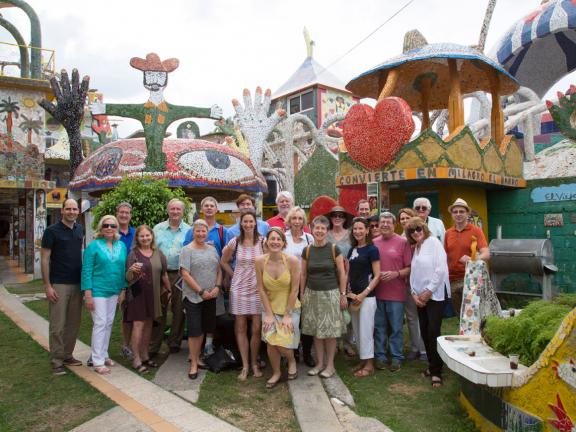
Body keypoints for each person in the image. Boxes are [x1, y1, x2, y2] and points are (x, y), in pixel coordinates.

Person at [406, 217, 451, 388]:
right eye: (412, 230)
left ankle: (437, 371)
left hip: (435, 295)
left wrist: (428, 291)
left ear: (424, 228)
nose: (416, 232)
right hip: (419, 297)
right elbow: (414, 273)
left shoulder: (433, 242)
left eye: (418, 228)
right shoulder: (416, 247)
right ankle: (432, 366)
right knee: (424, 331)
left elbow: (440, 269)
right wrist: (414, 294)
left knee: (433, 331)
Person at [41, 198, 84, 376]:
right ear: (62, 211)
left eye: (74, 209)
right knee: (58, 325)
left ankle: (67, 354)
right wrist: (47, 285)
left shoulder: (80, 229)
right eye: (68, 209)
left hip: (77, 283)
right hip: (58, 283)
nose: (72, 212)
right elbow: (44, 259)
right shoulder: (51, 231)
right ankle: (56, 360)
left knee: (73, 323)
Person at [301, 215, 347, 378]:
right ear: (312, 230)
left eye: (322, 228)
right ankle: (319, 363)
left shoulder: (334, 249)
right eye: (316, 228)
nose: (319, 231)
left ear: (327, 231)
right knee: (315, 331)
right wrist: (302, 295)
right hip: (312, 294)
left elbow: (342, 273)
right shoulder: (307, 250)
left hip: (330, 294)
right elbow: (304, 274)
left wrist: (343, 295)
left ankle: (330, 366)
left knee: (329, 332)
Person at [221, 210, 265, 381]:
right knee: (240, 327)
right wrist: (234, 275)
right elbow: (223, 261)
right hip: (239, 289)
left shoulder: (263, 241)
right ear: (241, 224)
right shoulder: (235, 242)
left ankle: (254, 363)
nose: (248, 224)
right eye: (245, 222)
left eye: (251, 222)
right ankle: (245, 365)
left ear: (255, 223)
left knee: (256, 328)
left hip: (258, 288)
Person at [82, 215, 128, 375]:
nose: (109, 228)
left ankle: (104, 354)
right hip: (98, 290)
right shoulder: (93, 246)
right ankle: (97, 360)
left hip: (114, 290)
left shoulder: (121, 246)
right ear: (101, 228)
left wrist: (123, 289)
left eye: (113, 226)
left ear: (117, 228)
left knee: (108, 323)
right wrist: (88, 293)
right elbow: (86, 270)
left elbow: (123, 269)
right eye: (106, 225)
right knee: (100, 323)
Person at [256, 228, 301, 388]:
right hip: (269, 308)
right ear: (266, 242)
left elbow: (295, 289)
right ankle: (276, 372)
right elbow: (261, 289)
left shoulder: (292, 261)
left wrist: (288, 315)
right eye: (272, 239)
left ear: (283, 243)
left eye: (278, 239)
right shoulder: (260, 261)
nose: (275, 242)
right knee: (270, 342)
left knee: (282, 343)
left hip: (290, 307)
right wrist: (268, 314)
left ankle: (291, 360)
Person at [183, 196, 228, 356]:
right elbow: (186, 252)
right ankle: (196, 349)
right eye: (206, 205)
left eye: (212, 205)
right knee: (195, 317)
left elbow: (226, 256)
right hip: (195, 281)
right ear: (201, 209)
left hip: (214, 279)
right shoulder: (191, 230)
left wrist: (221, 282)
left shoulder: (222, 231)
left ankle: (208, 344)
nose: (209, 208)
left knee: (212, 314)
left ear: (217, 209)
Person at [124, 225, 170, 374]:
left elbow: (164, 275)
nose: (145, 238)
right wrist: (131, 270)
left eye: (147, 235)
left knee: (149, 324)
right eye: (142, 236)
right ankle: (136, 358)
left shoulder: (159, 254)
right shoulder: (133, 254)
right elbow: (128, 277)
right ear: (137, 238)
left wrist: (169, 291)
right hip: (137, 294)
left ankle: (145, 355)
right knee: (138, 325)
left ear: (152, 236)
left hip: (153, 294)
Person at [180, 219, 222, 380]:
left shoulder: (212, 249)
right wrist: (200, 291)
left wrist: (217, 286)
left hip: (211, 296)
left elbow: (218, 270)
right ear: (193, 232)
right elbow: (185, 274)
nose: (201, 233)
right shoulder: (187, 250)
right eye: (197, 231)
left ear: (207, 232)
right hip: (193, 297)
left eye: (203, 231)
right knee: (194, 330)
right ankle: (193, 363)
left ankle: (197, 357)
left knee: (204, 328)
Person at [373, 212, 412, 372]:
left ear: (394, 224)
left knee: (396, 327)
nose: (385, 225)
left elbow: (410, 267)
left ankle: (396, 357)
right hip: (377, 292)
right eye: (382, 222)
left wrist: (396, 274)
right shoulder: (374, 242)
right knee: (379, 326)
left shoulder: (403, 242)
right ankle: (380, 356)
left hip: (396, 293)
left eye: (388, 222)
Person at [152, 198, 191, 355]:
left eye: (178, 209)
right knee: (158, 309)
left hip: (180, 274)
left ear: (183, 212)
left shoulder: (189, 230)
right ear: (167, 210)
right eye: (172, 209)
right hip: (159, 274)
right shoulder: (158, 229)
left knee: (179, 309)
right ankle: (155, 343)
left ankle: (174, 342)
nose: (175, 212)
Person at [444, 198, 490, 317]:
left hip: (471, 278)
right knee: (460, 315)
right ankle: (464, 335)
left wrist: (472, 259)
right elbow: (444, 256)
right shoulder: (448, 233)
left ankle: (479, 334)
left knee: (473, 314)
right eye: (455, 212)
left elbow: (486, 253)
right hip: (452, 280)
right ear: (452, 214)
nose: (458, 214)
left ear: (467, 213)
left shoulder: (476, 230)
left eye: (461, 211)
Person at [347, 217, 380, 378]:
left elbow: (377, 275)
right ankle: (363, 359)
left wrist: (364, 293)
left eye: (361, 228)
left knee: (366, 331)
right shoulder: (351, 250)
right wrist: (349, 292)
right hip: (354, 297)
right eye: (355, 229)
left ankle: (369, 365)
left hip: (367, 297)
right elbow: (348, 273)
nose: (358, 231)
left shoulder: (372, 250)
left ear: (367, 231)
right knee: (357, 330)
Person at [284, 206, 315, 367]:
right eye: (294, 218)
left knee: (306, 320)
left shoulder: (310, 239)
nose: (297, 221)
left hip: (307, 284)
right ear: (289, 221)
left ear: (304, 221)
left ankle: (307, 352)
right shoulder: (283, 238)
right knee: (292, 319)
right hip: (288, 287)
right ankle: (293, 351)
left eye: (300, 218)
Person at [398, 208, 426, 361]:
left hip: (422, 283)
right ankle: (416, 347)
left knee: (422, 316)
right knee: (411, 317)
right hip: (407, 283)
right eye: (401, 218)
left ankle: (424, 348)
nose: (404, 220)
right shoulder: (402, 237)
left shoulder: (420, 235)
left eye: (407, 217)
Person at [325, 205, 354, 356]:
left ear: (345, 219)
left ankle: (348, 343)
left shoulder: (350, 235)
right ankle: (334, 342)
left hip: (349, 276)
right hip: (329, 278)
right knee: (333, 311)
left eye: (340, 215)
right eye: (334, 215)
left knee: (347, 310)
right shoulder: (325, 234)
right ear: (330, 218)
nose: (337, 217)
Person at [116, 201, 136, 361]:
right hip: (112, 280)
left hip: (131, 282)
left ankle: (126, 345)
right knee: (105, 318)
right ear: (117, 213)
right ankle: (98, 349)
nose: (124, 215)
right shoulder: (109, 231)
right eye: (121, 212)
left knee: (129, 315)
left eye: (127, 213)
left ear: (131, 215)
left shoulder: (135, 234)